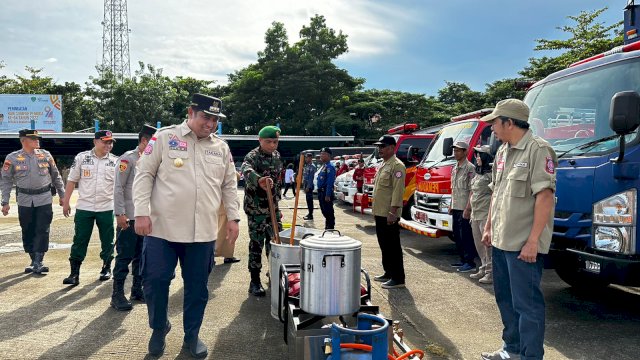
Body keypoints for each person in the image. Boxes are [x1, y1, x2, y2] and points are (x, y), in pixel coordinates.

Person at [133, 93, 240, 358]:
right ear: (190, 112)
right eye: (206, 117)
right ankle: (159, 327)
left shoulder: (221, 147)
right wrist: (141, 213)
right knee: (155, 282)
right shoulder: (164, 137)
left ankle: (191, 337)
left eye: (215, 119)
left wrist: (234, 218)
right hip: (162, 229)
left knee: (197, 289)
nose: (210, 124)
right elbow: (144, 174)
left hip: (202, 232)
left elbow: (229, 185)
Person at [480, 99, 557, 360]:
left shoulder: (538, 150)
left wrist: (533, 241)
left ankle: (530, 356)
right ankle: (511, 349)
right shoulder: (502, 152)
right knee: (505, 300)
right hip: (501, 240)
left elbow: (545, 196)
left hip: (523, 245)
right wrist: (489, 227)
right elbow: (496, 193)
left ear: (509, 122)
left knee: (528, 306)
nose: (492, 128)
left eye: (495, 123)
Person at [1, 129, 65, 274]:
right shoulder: (12, 158)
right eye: (33, 138)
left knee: (42, 228)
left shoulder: (46, 155)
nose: (37, 140)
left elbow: (56, 176)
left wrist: (62, 195)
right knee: (27, 229)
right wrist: (5, 202)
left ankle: (38, 260)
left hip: (44, 197)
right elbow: (5, 181)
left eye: (37, 138)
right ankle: (33, 258)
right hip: (24, 199)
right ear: (23, 141)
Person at [62, 130, 119, 285]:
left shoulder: (115, 161)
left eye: (111, 142)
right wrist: (66, 202)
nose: (109, 145)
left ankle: (106, 268)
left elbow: (119, 187)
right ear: (95, 141)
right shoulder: (82, 158)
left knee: (107, 240)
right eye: (105, 141)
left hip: (106, 207)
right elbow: (72, 180)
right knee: (80, 239)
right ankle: (74, 273)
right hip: (84, 207)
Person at [110, 124, 156, 311]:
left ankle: (137, 289)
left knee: (142, 256)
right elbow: (118, 188)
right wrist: (120, 214)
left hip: (144, 217)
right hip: (128, 217)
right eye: (153, 142)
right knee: (124, 257)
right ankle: (117, 294)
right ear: (144, 141)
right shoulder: (127, 159)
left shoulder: (154, 160)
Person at [241, 125, 283, 297]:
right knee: (257, 244)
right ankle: (255, 280)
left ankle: (274, 272)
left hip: (272, 208)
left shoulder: (276, 156)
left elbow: (277, 183)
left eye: (275, 141)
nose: (272, 145)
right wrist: (258, 180)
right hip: (256, 209)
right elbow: (245, 169)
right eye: (268, 141)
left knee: (276, 243)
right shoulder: (253, 156)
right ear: (260, 140)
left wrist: (277, 206)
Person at [371, 135, 406, 289]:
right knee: (384, 244)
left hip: (388, 214)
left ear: (392, 147)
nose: (380, 149)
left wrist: (393, 212)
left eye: (383, 146)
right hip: (380, 212)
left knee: (393, 246)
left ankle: (398, 278)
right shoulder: (384, 165)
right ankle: (388, 272)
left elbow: (398, 191)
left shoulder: (397, 166)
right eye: (379, 147)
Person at [449, 141, 478, 273]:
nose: (456, 153)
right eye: (454, 151)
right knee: (457, 235)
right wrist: (451, 205)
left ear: (465, 152)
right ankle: (462, 259)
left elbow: (472, 190)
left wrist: (468, 208)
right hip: (456, 206)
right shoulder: (455, 168)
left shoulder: (470, 168)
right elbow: (453, 188)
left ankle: (469, 262)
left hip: (464, 208)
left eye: (458, 151)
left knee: (466, 235)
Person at [469, 145, 494, 284]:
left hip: (485, 214)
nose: (477, 158)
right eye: (476, 155)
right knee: (478, 243)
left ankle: (491, 272)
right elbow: (473, 192)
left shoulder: (491, 175)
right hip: (475, 213)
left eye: (480, 155)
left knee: (487, 245)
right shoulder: (478, 173)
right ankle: (483, 267)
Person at [316, 147, 336, 229]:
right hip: (321, 192)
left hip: (325, 192)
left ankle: (330, 227)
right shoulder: (324, 166)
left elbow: (330, 182)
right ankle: (327, 226)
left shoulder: (330, 167)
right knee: (324, 211)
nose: (321, 156)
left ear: (328, 156)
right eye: (321, 154)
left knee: (328, 211)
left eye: (323, 154)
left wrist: (327, 195)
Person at [302, 152, 316, 220]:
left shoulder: (312, 166)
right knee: (308, 200)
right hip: (306, 184)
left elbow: (311, 177)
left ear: (310, 158)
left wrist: (308, 187)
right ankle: (309, 213)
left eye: (307, 157)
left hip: (309, 185)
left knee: (310, 200)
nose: (305, 159)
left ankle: (311, 214)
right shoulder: (307, 165)